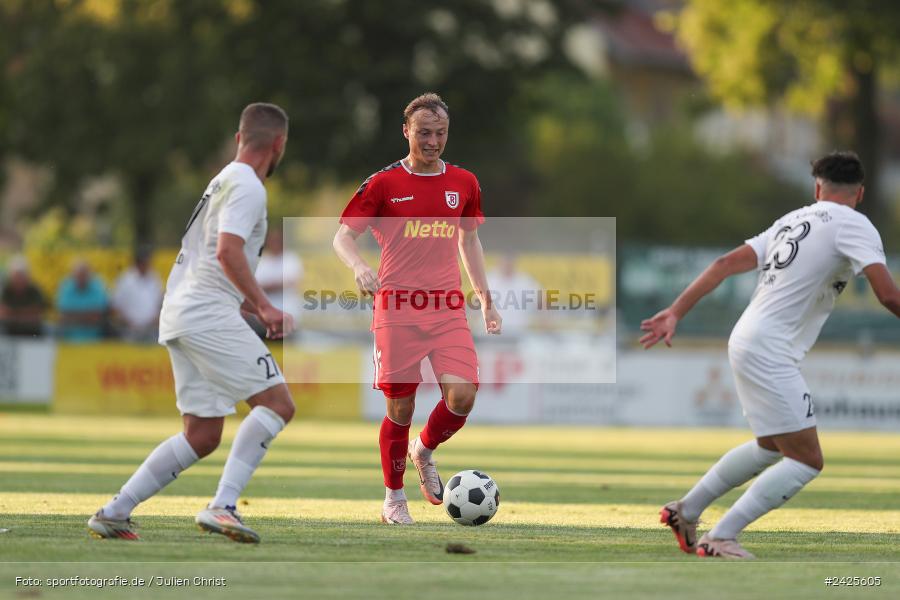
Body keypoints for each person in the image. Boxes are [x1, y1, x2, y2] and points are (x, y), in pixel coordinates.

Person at [642, 151, 899, 559]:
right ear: (861, 193)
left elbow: (725, 263)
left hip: (745, 337)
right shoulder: (856, 225)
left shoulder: (792, 220)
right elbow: (887, 294)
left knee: (769, 446)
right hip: (769, 349)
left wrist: (676, 311)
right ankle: (722, 535)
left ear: (818, 188)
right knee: (807, 461)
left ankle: (687, 510)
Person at [88, 102, 295, 543]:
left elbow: (208, 256)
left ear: (240, 139)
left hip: (183, 310)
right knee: (277, 404)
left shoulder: (221, 179)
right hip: (205, 312)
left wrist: (239, 302)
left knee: (202, 435)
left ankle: (115, 511)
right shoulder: (249, 186)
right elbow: (227, 251)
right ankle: (222, 506)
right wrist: (263, 306)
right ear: (279, 145)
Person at [333, 92, 501, 525]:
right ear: (406, 131)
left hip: (446, 308)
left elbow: (469, 240)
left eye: (440, 133)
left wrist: (485, 299)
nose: (432, 141)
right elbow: (343, 237)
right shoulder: (383, 183)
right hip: (396, 310)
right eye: (424, 133)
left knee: (463, 395)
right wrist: (358, 267)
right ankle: (393, 498)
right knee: (400, 410)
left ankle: (423, 449)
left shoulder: (464, 182)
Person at [253, 228, 303, 336]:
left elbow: (290, 282)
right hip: (264, 314)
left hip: (288, 311)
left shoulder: (291, 258)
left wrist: (266, 287)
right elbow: (255, 285)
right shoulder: (262, 260)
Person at [111, 247, 163, 342]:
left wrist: (155, 320)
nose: (147, 265)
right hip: (129, 330)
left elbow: (160, 303)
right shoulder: (124, 280)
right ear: (138, 263)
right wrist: (128, 323)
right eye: (144, 262)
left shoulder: (155, 278)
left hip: (152, 330)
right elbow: (115, 307)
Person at [56, 260, 108, 342]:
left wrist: (73, 316)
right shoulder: (66, 285)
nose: (81, 278)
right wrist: (88, 316)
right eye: (79, 276)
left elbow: (97, 317)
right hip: (69, 341)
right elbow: (63, 316)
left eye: (84, 275)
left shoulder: (98, 285)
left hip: (96, 340)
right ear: (73, 276)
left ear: (89, 275)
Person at [0, 255, 47, 337]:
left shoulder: (35, 291)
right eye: (16, 276)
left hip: (32, 333)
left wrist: (13, 313)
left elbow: (37, 314)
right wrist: (25, 313)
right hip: (8, 333)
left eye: (21, 276)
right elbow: (2, 313)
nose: (18, 279)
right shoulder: (5, 291)